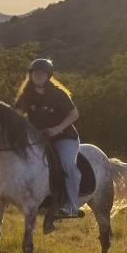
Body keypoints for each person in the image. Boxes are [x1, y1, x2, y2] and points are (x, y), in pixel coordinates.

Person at [14, 58, 82, 218]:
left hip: (65, 138)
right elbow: (17, 116)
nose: (37, 75)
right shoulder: (26, 95)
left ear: (48, 76)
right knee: (15, 155)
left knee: (66, 163)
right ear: (30, 75)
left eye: (41, 73)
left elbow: (74, 114)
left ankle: (72, 206)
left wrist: (57, 129)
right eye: (34, 73)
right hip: (39, 139)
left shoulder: (59, 94)